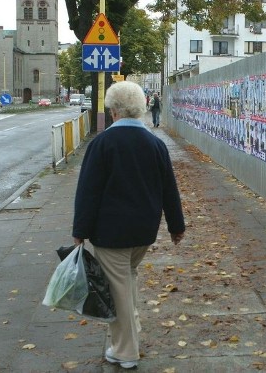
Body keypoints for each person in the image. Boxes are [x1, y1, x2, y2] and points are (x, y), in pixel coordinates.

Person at [72, 81, 185, 369]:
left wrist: (80, 232)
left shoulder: (102, 144)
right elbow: (169, 188)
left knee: (118, 289)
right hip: (144, 232)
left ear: (114, 112)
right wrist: (176, 225)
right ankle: (130, 333)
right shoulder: (155, 144)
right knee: (127, 280)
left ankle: (126, 352)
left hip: (111, 233)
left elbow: (89, 190)